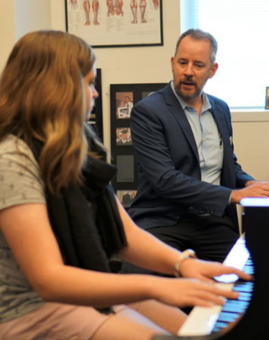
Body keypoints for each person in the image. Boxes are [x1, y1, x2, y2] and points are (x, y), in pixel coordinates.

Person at [0, 30, 251, 340]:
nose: (94, 94)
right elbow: (49, 279)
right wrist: (158, 285)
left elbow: (124, 233)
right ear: (57, 87)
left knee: (195, 332)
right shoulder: (12, 159)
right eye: (89, 83)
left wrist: (183, 265)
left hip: (80, 291)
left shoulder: (76, 149)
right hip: (31, 310)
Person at [122, 29, 269, 275]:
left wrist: (251, 182)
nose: (188, 71)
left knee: (254, 275)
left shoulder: (220, 109)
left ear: (212, 70)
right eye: (183, 63)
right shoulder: (148, 112)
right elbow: (165, 180)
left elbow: (228, 165)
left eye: (198, 65)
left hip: (214, 223)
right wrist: (234, 195)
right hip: (164, 221)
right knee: (142, 287)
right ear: (173, 63)